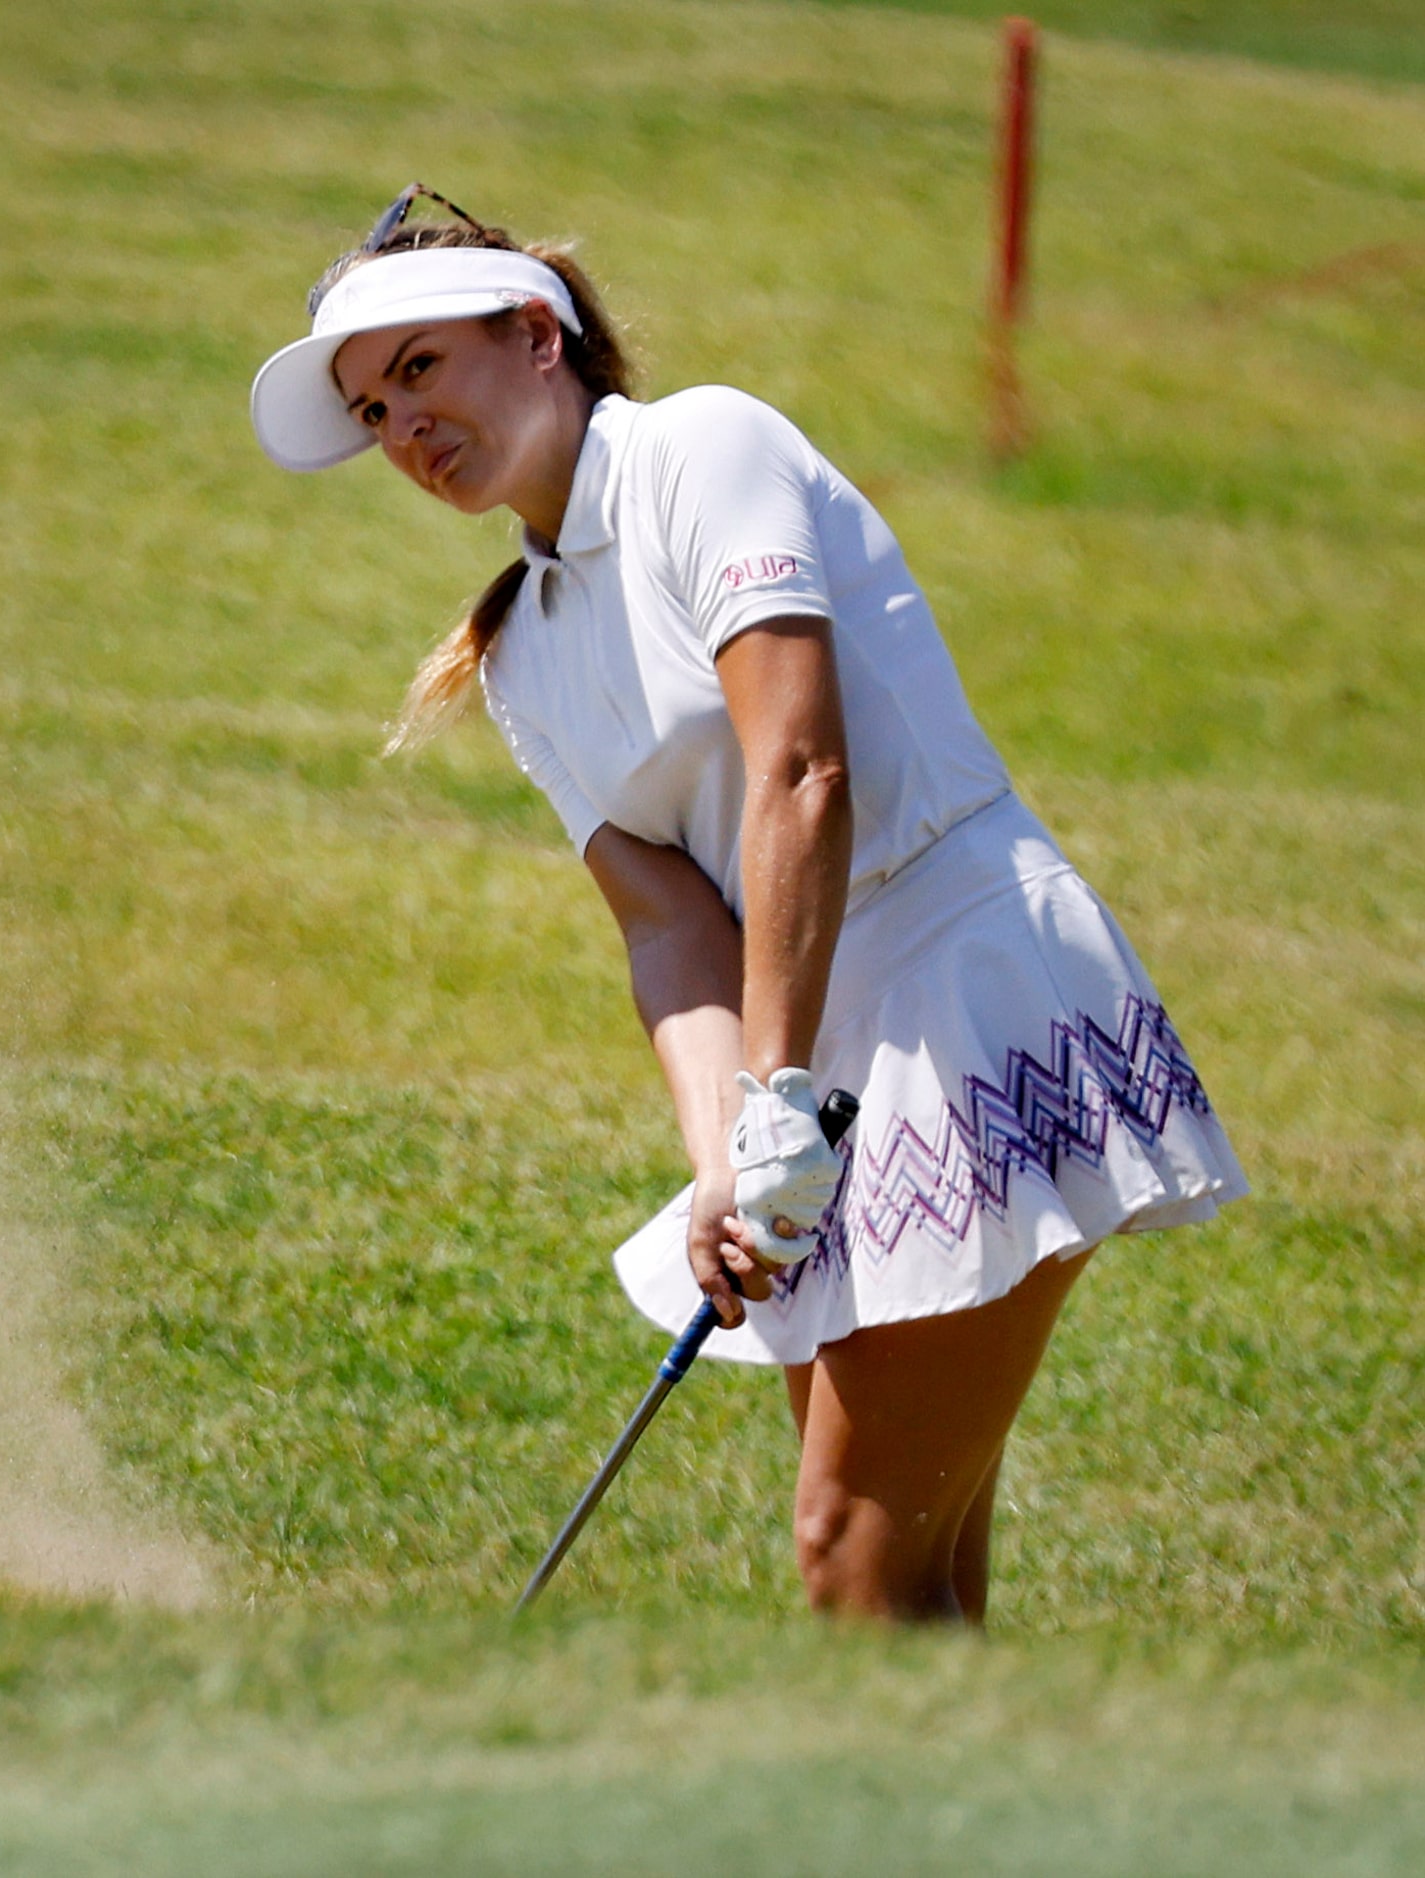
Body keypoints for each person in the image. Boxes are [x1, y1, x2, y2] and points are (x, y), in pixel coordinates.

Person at [248, 187, 1248, 1623]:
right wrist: (726, 1156)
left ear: (537, 333)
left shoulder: (701, 449)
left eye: (417, 370)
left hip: (964, 986)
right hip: (818, 1062)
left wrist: (774, 1100)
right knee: (913, 1575)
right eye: (370, 411)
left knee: (849, 1544)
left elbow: (800, 770)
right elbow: (666, 927)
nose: (400, 427)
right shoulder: (519, 651)